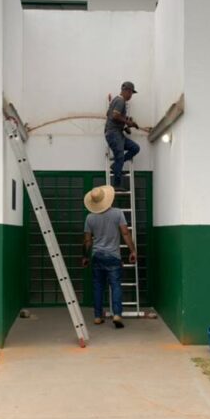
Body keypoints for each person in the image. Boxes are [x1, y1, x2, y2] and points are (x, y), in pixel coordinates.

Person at [82, 185, 137, 328]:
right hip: (113, 256)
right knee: (116, 285)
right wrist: (133, 251)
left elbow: (87, 240)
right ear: (107, 199)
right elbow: (125, 233)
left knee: (98, 286)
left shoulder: (89, 217)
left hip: (97, 255)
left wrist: (85, 257)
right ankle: (117, 314)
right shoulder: (118, 213)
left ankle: (97, 316)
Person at [105, 81, 141, 189]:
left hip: (117, 133)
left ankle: (116, 166)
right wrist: (128, 122)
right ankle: (116, 184)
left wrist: (125, 126)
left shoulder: (116, 101)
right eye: (130, 93)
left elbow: (109, 114)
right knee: (119, 156)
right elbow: (115, 116)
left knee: (135, 148)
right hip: (113, 133)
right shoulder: (120, 101)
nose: (131, 95)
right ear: (126, 91)